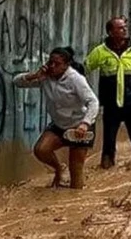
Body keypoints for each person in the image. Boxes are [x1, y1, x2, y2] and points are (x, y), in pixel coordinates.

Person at [13, 47, 99, 189]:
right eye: (50, 62)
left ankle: (74, 204)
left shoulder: (76, 79)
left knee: (76, 174)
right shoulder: (45, 77)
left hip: (80, 127)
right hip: (59, 125)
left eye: (57, 64)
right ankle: (59, 169)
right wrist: (34, 75)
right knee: (41, 150)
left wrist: (85, 123)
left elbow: (93, 102)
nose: (52, 66)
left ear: (66, 65)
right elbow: (17, 82)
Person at [85, 17, 131, 169]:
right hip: (111, 103)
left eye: (125, 27)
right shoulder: (100, 52)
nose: (125, 30)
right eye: (120, 28)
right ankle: (107, 162)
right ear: (110, 32)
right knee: (108, 136)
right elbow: (85, 69)